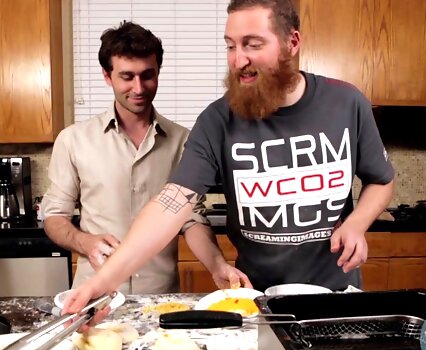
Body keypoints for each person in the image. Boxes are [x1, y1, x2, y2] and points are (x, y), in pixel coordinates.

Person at [63, 0, 395, 314]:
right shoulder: (218, 120)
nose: (238, 60)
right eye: (231, 45)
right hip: (257, 300)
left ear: (292, 43)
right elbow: (171, 204)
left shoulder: (346, 103)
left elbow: (381, 180)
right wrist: (100, 284)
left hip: (335, 296)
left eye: (253, 44)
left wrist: (357, 223)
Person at [41, 21, 212, 295]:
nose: (139, 87)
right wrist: (85, 242)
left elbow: (191, 219)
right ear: (107, 76)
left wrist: (217, 265)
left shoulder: (184, 141)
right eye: (127, 76)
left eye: (147, 75)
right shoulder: (73, 140)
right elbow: (54, 216)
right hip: (95, 297)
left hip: (161, 299)